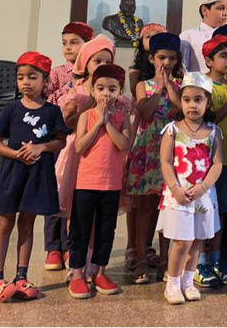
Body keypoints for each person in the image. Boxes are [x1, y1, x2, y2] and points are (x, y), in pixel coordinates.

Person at [0, 52, 68, 302]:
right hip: (11, 174)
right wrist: (16, 154)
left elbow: (60, 141)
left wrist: (40, 148)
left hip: (37, 175)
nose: (26, 82)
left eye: (32, 77)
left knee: (27, 225)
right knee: (4, 224)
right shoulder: (11, 109)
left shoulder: (52, 112)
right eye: (21, 77)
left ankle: (21, 277)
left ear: (45, 81)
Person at [54, 34, 117, 282]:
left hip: (106, 160)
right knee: (78, 211)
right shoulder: (78, 91)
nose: (102, 66)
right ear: (86, 63)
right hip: (79, 156)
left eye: (107, 61)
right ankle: (76, 260)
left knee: (102, 217)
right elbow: (65, 121)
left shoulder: (115, 93)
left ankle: (93, 260)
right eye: (97, 61)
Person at [157, 72, 224, 305]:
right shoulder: (172, 130)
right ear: (181, 102)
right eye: (187, 99)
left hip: (202, 195)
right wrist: (175, 188)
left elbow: (217, 163)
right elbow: (166, 162)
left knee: (196, 241)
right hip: (179, 195)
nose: (192, 105)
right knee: (182, 241)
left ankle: (188, 281)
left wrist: (204, 186)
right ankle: (172, 283)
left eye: (198, 100)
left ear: (208, 102)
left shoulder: (213, 131)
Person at [67, 64, 132, 299]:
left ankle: (100, 271)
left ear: (119, 92)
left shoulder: (123, 118)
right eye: (101, 88)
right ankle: (77, 273)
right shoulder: (86, 116)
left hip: (111, 184)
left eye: (112, 89)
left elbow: (124, 145)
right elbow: (79, 147)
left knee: (106, 229)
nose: (106, 93)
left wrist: (108, 123)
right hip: (86, 183)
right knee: (80, 229)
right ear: (93, 91)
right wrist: (97, 123)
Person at [126, 32, 183, 283]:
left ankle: (164, 261)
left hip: (171, 152)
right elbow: (146, 112)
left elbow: (180, 112)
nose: (166, 63)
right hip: (147, 151)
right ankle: (140, 258)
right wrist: (159, 87)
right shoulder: (143, 85)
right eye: (161, 58)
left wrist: (170, 87)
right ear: (152, 59)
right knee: (145, 208)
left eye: (171, 58)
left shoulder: (180, 86)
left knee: (167, 207)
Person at [44, 21, 93, 272]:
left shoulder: (92, 74)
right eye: (64, 43)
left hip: (83, 141)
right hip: (60, 139)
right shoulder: (57, 74)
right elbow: (47, 101)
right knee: (55, 191)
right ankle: (53, 246)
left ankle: (71, 245)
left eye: (74, 42)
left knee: (74, 196)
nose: (68, 48)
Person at [196, 35, 227, 287]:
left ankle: (216, 258)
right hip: (206, 161)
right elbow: (208, 119)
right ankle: (199, 260)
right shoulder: (203, 86)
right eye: (223, 56)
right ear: (209, 60)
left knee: (222, 211)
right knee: (204, 210)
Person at [180, 0, 227, 73]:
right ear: (204, 10)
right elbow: (182, 69)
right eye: (221, 8)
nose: (225, 13)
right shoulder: (188, 36)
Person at [128, 23, 167, 95]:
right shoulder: (135, 69)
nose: (152, 39)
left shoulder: (169, 63)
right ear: (142, 42)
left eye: (157, 36)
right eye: (148, 36)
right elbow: (134, 91)